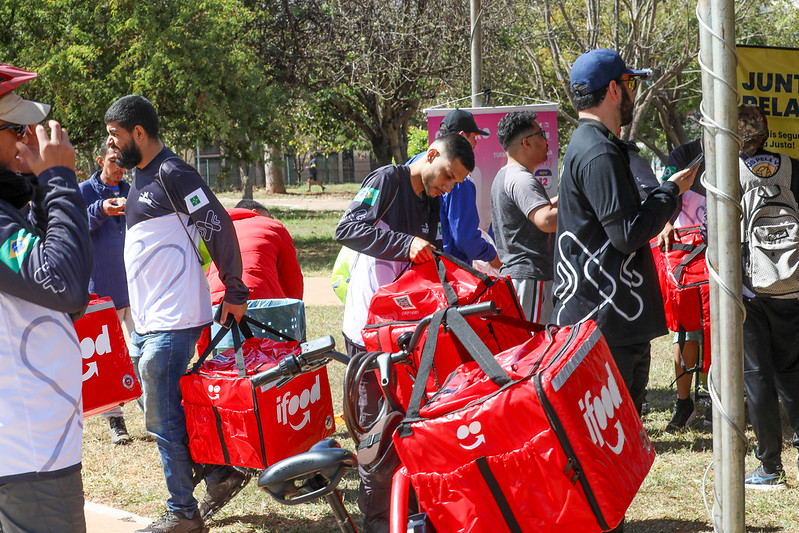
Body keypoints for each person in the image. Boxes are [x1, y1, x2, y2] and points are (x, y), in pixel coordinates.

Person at [104, 94, 249, 533]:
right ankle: (217, 471)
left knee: (162, 418)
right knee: (165, 410)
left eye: (115, 136)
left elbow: (216, 223)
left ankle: (183, 513)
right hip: (150, 319)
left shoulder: (172, 171)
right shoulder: (140, 177)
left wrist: (236, 289)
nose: (111, 146)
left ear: (139, 134)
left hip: (175, 315)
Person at [335, 132, 474, 533]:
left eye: (455, 183)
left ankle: (408, 510)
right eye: (447, 175)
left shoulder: (431, 200)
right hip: (366, 333)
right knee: (374, 428)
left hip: (403, 334)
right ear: (431, 154)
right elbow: (348, 228)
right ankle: (377, 520)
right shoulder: (386, 181)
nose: (447, 187)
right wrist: (405, 243)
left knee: (407, 423)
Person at [552, 48, 697, 422]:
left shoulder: (591, 144)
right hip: (605, 323)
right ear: (615, 89)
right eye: (631, 83)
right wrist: (670, 191)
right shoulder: (599, 150)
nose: (634, 93)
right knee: (612, 442)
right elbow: (627, 233)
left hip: (607, 316)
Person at [0, 64, 91, 533]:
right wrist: (57, 176)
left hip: (31, 446)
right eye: (17, 129)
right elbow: (67, 283)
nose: (28, 140)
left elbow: (65, 298)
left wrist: (39, 186)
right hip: (26, 455)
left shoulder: (10, 206)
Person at [733, 104, 799, 490]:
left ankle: (770, 466)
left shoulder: (729, 174)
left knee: (757, 375)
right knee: (792, 370)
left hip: (751, 289)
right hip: (792, 284)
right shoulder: (792, 165)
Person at [79, 137, 134, 444]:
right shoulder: (85, 192)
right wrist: (101, 209)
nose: (119, 169)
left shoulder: (131, 191)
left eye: (123, 164)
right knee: (108, 360)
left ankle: (154, 413)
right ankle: (116, 422)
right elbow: (72, 226)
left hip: (135, 288)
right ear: (101, 161)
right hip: (101, 289)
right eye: (114, 162)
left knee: (143, 351)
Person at [656, 137, 708, 432]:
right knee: (686, 329)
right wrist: (665, 222)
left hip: (729, 251)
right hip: (689, 252)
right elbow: (666, 192)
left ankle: (721, 398)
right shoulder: (685, 153)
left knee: (725, 329)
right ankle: (683, 402)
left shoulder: (738, 149)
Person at [408, 109, 501, 269]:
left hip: (415, 266)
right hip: (450, 271)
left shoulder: (416, 163)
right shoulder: (460, 179)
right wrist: (492, 255)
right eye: (474, 137)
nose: (448, 187)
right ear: (462, 135)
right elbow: (465, 237)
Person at [490, 110, 558, 322]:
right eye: (541, 135)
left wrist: (568, 196)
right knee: (534, 348)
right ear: (526, 143)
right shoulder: (521, 179)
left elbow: (540, 209)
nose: (547, 141)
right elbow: (545, 220)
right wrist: (581, 207)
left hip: (521, 278)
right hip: (530, 278)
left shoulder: (507, 175)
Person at [206, 199, 303, 304]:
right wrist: (293, 309)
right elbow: (292, 277)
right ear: (254, 212)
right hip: (262, 299)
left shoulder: (215, 229)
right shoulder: (274, 226)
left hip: (217, 301)